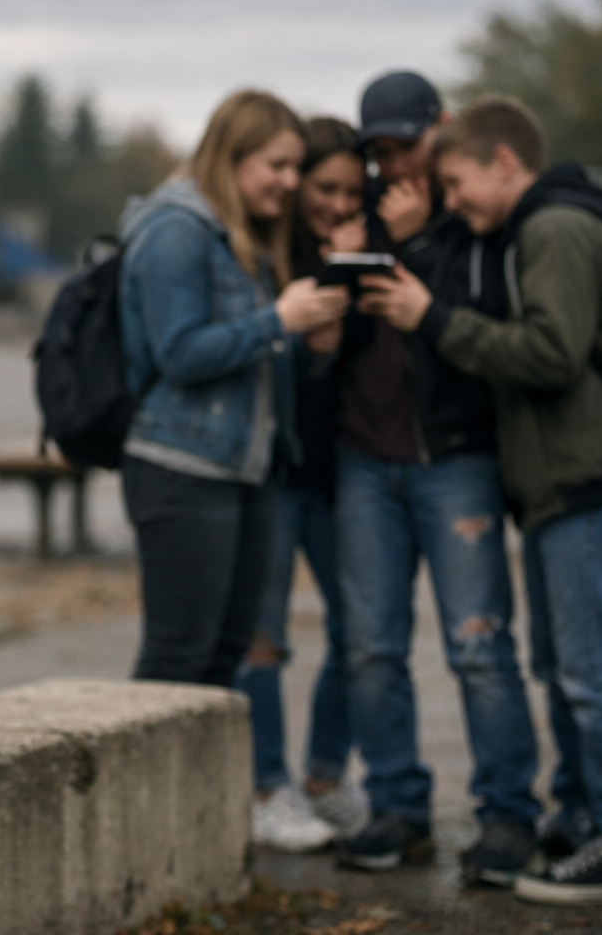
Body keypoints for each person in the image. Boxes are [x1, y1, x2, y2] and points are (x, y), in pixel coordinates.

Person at [360, 95, 602, 905]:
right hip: (557, 482)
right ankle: (592, 823)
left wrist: (433, 317)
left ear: (505, 163)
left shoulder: (554, 229)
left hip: (587, 475)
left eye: (458, 182)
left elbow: (552, 353)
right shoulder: (528, 229)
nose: (451, 198)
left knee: (597, 672)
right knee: (568, 669)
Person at [327, 72, 541, 883]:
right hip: (363, 460)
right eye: (378, 150)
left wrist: (413, 244)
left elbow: (474, 330)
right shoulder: (365, 211)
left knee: (479, 646)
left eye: (405, 145)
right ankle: (397, 809)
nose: (394, 165)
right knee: (371, 648)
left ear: (441, 129)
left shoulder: (474, 213)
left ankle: (509, 818)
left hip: (455, 458)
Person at [116, 90, 349, 692]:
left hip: (244, 469)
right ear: (231, 157)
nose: (290, 182)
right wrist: (281, 322)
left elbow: (242, 353)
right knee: (177, 659)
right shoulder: (176, 229)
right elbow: (181, 353)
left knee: (223, 660)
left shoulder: (241, 235)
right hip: (181, 467)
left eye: (295, 167)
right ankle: (151, 789)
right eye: (277, 165)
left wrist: (305, 341)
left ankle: (201, 791)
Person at [237, 117, 368, 852]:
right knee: (264, 637)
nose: (336, 204)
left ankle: (323, 775)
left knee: (360, 626)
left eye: (351, 191)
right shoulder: (266, 251)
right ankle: (266, 785)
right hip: (271, 474)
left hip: (341, 470)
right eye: (324, 187)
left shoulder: (369, 247)